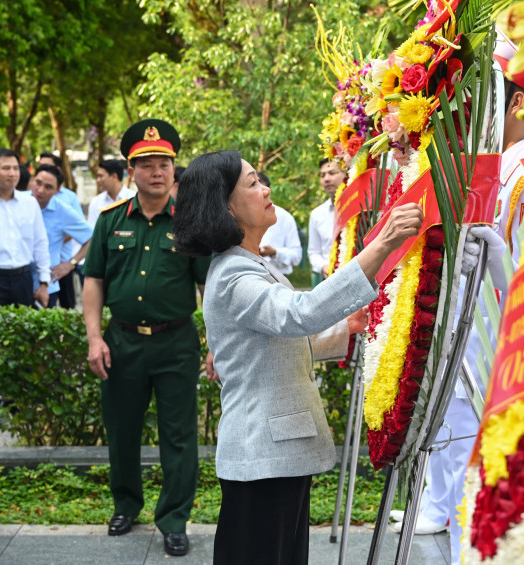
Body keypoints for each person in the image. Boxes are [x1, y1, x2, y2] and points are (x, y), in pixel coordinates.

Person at [172, 149, 424, 565]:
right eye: (252, 183)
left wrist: (346, 327)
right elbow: (298, 315)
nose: (266, 188)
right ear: (225, 207)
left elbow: (274, 343)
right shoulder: (235, 274)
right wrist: (380, 247)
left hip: (276, 454)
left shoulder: (251, 264)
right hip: (262, 457)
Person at [391, 33, 524, 565]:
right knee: (454, 422)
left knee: (481, 444)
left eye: (485, 94)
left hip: (505, 334)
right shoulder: (492, 169)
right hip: (473, 325)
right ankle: (450, 514)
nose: (470, 108)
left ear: (515, 104)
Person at [82, 119, 212, 557]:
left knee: (178, 435)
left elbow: (207, 289)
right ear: (131, 170)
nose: (156, 171)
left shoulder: (190, 224)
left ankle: (174, 519)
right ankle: (125, 505)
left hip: (175, 344)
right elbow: (94, 280)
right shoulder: (110, 221)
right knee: (121, 429)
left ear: (174, 169)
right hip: (121, 343)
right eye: (146, 164)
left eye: (164, 163)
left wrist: (215, 343)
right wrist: (94, 338)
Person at [0, 148, 50, 428]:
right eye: (5, 168)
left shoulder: (28, 203)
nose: (12, 173)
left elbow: (40, 243)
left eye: (15, 168)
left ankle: (15, 402)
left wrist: (43, 281)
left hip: (22, 278)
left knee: (21, 342)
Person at [30, 165, 93, 308]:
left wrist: (70, 264)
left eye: (48, 187)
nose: (40, 190)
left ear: (58, 190)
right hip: (16, 283)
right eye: (38, 183)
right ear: (32, 180)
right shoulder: (19, 202)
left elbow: (93, 238)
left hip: (45, 286)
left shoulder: (63, 211)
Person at [39, 152, 81, 309]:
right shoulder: (31, 197)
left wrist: (50, 242)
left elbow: (79, 230)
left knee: (67, 307)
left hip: (62, 262)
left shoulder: (69, 198)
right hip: (41, 268)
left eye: (47, 165)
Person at [307, 158, 345, 287]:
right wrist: (323, 267)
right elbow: (313, 252)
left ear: (346, 174)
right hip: (329, 283)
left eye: (332, 173)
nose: (326, 179)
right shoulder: (317, 214)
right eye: (322, 175)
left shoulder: (362, 208)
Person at [257, 172, 302, 276]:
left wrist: (275, 253)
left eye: (260, 189)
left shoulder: (284, 217)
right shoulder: (238, 216)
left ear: (267, 191)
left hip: (278, 279)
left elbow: (296, 256)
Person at [87, 159, 136, 226]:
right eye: (97, 176)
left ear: (114, 176)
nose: (98, 180)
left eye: (101, 176)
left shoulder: (133, 198)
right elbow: (93, 231)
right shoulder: (96, 202)